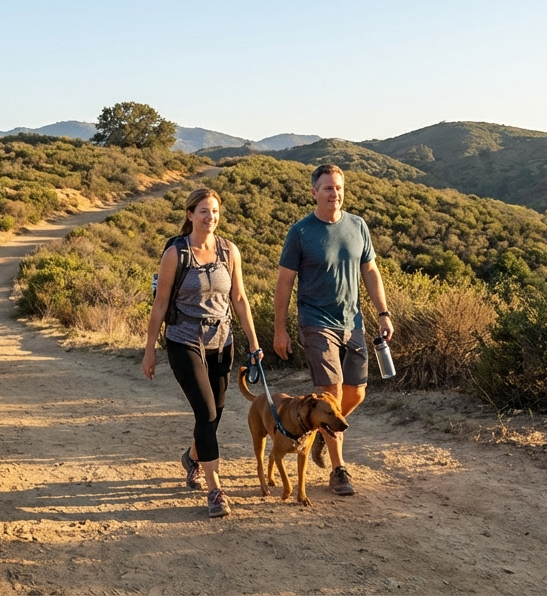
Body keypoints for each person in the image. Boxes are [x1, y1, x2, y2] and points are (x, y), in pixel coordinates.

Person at [272, 164, 393, 497]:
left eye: (338, 187)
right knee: (333, 393)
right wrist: (279, 329)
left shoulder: (357, 226)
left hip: (352, 322)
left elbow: (370, 271)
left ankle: (321, 427)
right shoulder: (300, 232)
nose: (334, 193)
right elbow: (284, 283)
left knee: (356, 393)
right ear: (314, 192)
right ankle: (339, 470)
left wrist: (383, 313)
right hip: (315, 322)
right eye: (327, 188)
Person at [142, 187, 262, 518]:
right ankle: (215, 489)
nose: (211, 217)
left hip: (221, 342)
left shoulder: (229, 251)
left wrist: (253, 342)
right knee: (207, 413)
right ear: (190, 214)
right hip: (184, 340)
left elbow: (239, 299)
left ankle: (193, 457)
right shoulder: (176, 254)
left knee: (215, 415)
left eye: (215, 212)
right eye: (204, 211)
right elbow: (161, 303)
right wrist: (150, 349)